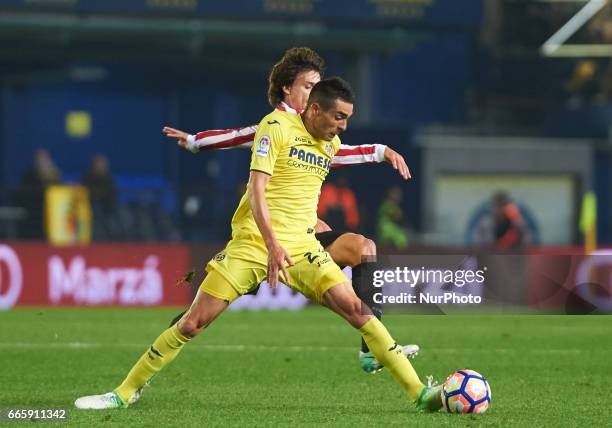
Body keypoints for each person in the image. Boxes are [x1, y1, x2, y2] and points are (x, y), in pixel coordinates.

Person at [75, 77, 442, 412]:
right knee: (192, 324)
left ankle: (420, 395)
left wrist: (382, 150)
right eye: (339, 116)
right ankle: (123, 393)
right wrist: (270, 243)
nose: (342, 126)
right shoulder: (277, 126)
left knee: (359, 310)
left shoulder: (329, 143)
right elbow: (256, 189)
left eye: (347, 118)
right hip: (252, 245)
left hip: (302, 246)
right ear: (314, 108)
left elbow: (348, 152)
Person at [163, 47, 415, 374]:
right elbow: (239, 135)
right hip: (262, 237)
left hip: (301, 235)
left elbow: (339, 153)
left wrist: (381, 151)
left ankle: (371, 351)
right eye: (309, 86)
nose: (316, 92)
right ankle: (172, 335)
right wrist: (197, 141)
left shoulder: (318, 131)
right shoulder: (277, 124)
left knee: (363, 248)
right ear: (288, 88)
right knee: (199, 319)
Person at [81, 155, 118, 240]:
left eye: (102, 165)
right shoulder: (87, 177)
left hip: (108, 208)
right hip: (90, 207)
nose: (100, 167)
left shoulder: (109, 178)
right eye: (98, 164)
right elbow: (84, 191)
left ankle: (111, 240)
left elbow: (111, 194)